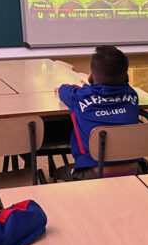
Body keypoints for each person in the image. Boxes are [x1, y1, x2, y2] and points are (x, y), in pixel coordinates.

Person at [55, 45, 140, 180]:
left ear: (90, 76)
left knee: (58, 173)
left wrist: (87, 87)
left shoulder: (80, 96)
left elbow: (63, 89)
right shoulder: (133, 96)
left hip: (94, 173)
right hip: (134, 169)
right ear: (126, 76)